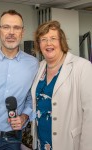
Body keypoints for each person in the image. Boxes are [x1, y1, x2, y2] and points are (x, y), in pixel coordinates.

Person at [0, 10, 39, 150]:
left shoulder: (33, 64)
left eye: (16, 28)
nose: (11, 32)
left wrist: (25, 116)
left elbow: (32, 96)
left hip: (12, 138)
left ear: (22, 32)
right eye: (6, 27)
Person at [31, 20, 92, 150]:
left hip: (67, 143)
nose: (48, 43)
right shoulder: (40, 67)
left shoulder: (82, 67)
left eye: (53, 38)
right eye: (43, 39)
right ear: (39, 44)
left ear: (61, 41)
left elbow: (90, 115)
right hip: (41, 142)